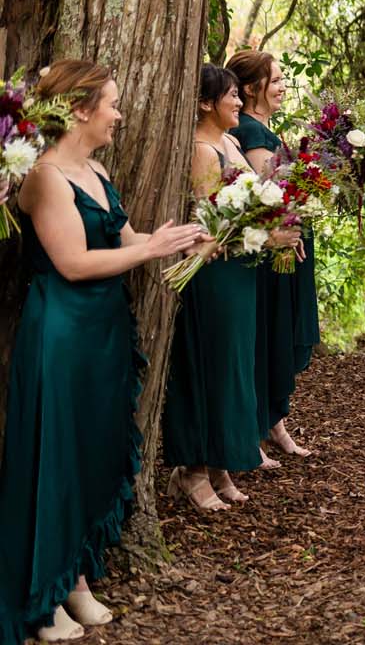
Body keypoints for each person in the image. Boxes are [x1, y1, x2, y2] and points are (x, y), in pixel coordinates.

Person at [0, 60, 202, 644]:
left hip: (104, 332)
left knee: (89, 452)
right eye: (112, 103)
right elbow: (72, 262)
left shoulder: (96, 168)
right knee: (55, 457)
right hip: (61, 333)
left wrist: (182, 240)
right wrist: (148, 251)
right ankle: (41, 598)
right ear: (82, 109)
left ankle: (77, 578)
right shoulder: (44, 176)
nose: (119, 114)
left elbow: (124, 239)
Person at [161, 66, 292, 510]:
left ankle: (220, 465)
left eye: (239, 95)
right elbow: (210, 223)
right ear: (204, 104)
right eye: (230, 96)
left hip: (240, 270)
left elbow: (250, 205)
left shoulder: (232, 142)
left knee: (235, 366)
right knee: (213, 365)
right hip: (213, 272)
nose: (239, 103)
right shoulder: (201, 150)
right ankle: (193, 470)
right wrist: (267, 235)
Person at [226, 49, 318, 466]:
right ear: (250, 89)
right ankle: (261, 425)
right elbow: (275, 192)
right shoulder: (250, 132)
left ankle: (274, 422)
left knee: (278, 334)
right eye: (276, 80)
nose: (283, 86)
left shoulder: (266, 129)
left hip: (288, 242)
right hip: (270, 251)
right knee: (270, 336)